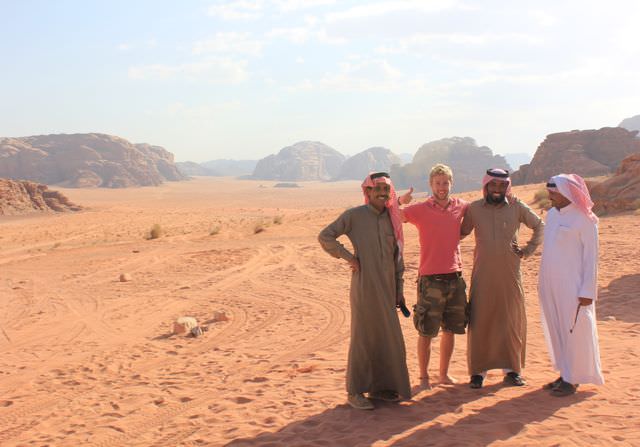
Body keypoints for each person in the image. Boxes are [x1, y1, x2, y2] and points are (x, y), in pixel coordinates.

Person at [318, 172, 411, 410]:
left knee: (388, 338)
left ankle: (382, 388)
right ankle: (355, 391)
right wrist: (349, 257)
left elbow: (397, 258)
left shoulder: (392, 218)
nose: (382, 193)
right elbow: (325, 236)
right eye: (377, 188)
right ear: (367, 191)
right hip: (365, 287)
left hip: (389, 288)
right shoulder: (354, 216)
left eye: (386, 189)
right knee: (363, 338)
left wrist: (399, 290)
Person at [461, 168, 544, 389]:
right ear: (486, 186)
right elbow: (459, 233)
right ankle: (478, 372)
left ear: (507, 187)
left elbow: (539, 226)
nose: (497, 190)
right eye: (493, 185)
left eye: (501, 186)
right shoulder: (474, 209)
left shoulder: (517, 207)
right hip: (483, 273)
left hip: (510, 273)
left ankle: (512, 371)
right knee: (481, 320)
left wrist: (527, 250)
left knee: (510, 319)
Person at [398, 164, 469, 389]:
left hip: (455, 277)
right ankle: (423, 378)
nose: (442, 187)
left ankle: (443, 375)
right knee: (426, 330)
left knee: (450, 330)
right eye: (437, 183)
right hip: (430, 279)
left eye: (445, 182)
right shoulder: (419, 209)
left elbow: (485, 210)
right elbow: (393, 215)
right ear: (431, 185)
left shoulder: (461, 206)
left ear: (451, 183)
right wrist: (401, 201)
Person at [538, 174, 604, 396]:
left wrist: (588, 291)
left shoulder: (585, 220)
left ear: (567, 193)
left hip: (574, 288)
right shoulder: (552, 216)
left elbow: (591, 259)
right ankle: (565, 373)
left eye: (554, 192)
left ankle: (573, 379)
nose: (550, 195)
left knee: (575, 331)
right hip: (550, 286)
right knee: (557, 330)